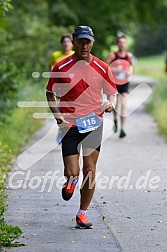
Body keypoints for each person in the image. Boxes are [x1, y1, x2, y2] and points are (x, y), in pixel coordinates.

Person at [46, 26, 117, 229]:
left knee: (90, 169)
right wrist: (57, 115)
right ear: (74, 42)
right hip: (69, 124)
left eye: (88, 42)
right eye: (81, 41)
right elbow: (50, 92)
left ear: (92, 43)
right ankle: (71, 181)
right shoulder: (61, 67)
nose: (84, 45)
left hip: (94, 123)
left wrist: (109, 103)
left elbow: (112, 92)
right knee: (72, 172)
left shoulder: (103, 67)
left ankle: (82, 213)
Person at [106, 34, 133, 138]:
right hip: (114, 83)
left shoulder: (128, 56)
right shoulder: (113, 55)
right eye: (120, 42)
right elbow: (105, 67)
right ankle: (115, 120)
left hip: (125, 83)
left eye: (124, 43)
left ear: (126, 44)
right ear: (117, 43)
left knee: (124, 106)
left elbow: (130, 67)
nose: (122, 45)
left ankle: (122, 129)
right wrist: (115, 69)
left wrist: (129, 74)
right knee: (115, 105)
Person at [49, 35, 74, 144]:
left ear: (72, 44)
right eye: (64, 42)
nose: (66, 44)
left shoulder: (75, 55)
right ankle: (61, 130)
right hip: (60, 86)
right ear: (61, 44)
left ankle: (71, 129)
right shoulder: (55, 55)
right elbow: (50, 67)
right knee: (62, 109)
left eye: (68, 42)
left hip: (72, 86)